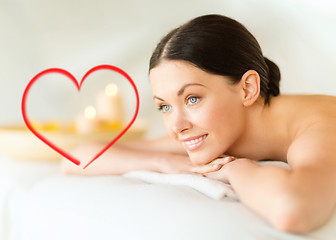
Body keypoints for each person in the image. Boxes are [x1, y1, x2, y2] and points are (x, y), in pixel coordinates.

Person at [61, 14, 336, 233]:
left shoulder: (319, 125)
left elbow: (293, 210)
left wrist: (236, 168)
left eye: (192, 98)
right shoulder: (213, 130)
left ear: (247, 88)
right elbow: (75, 158)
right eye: (164, 106)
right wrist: (169, 165)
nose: (176, 125)